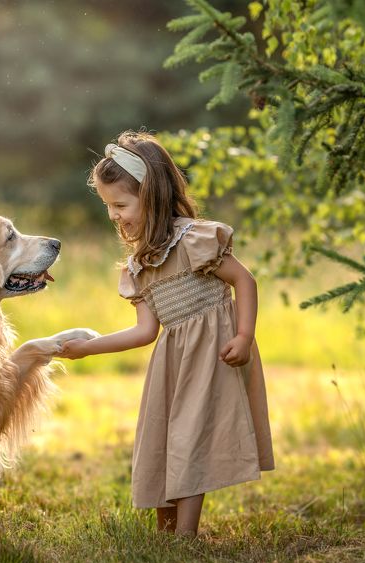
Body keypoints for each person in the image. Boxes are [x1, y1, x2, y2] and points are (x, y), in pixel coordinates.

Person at [56, 130, 274, 537]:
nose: (113, 215)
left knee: (190, 439)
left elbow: (245, 281)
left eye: (120, 205)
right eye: (107, 206)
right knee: (163, 438)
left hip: (212, 354)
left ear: (152, 195)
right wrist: (88, 348)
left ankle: (184, 537)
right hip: (173, 362)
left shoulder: (193, 241)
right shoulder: (140, 265)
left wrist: (244, 336)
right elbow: (145, 332)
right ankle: (165, 533)